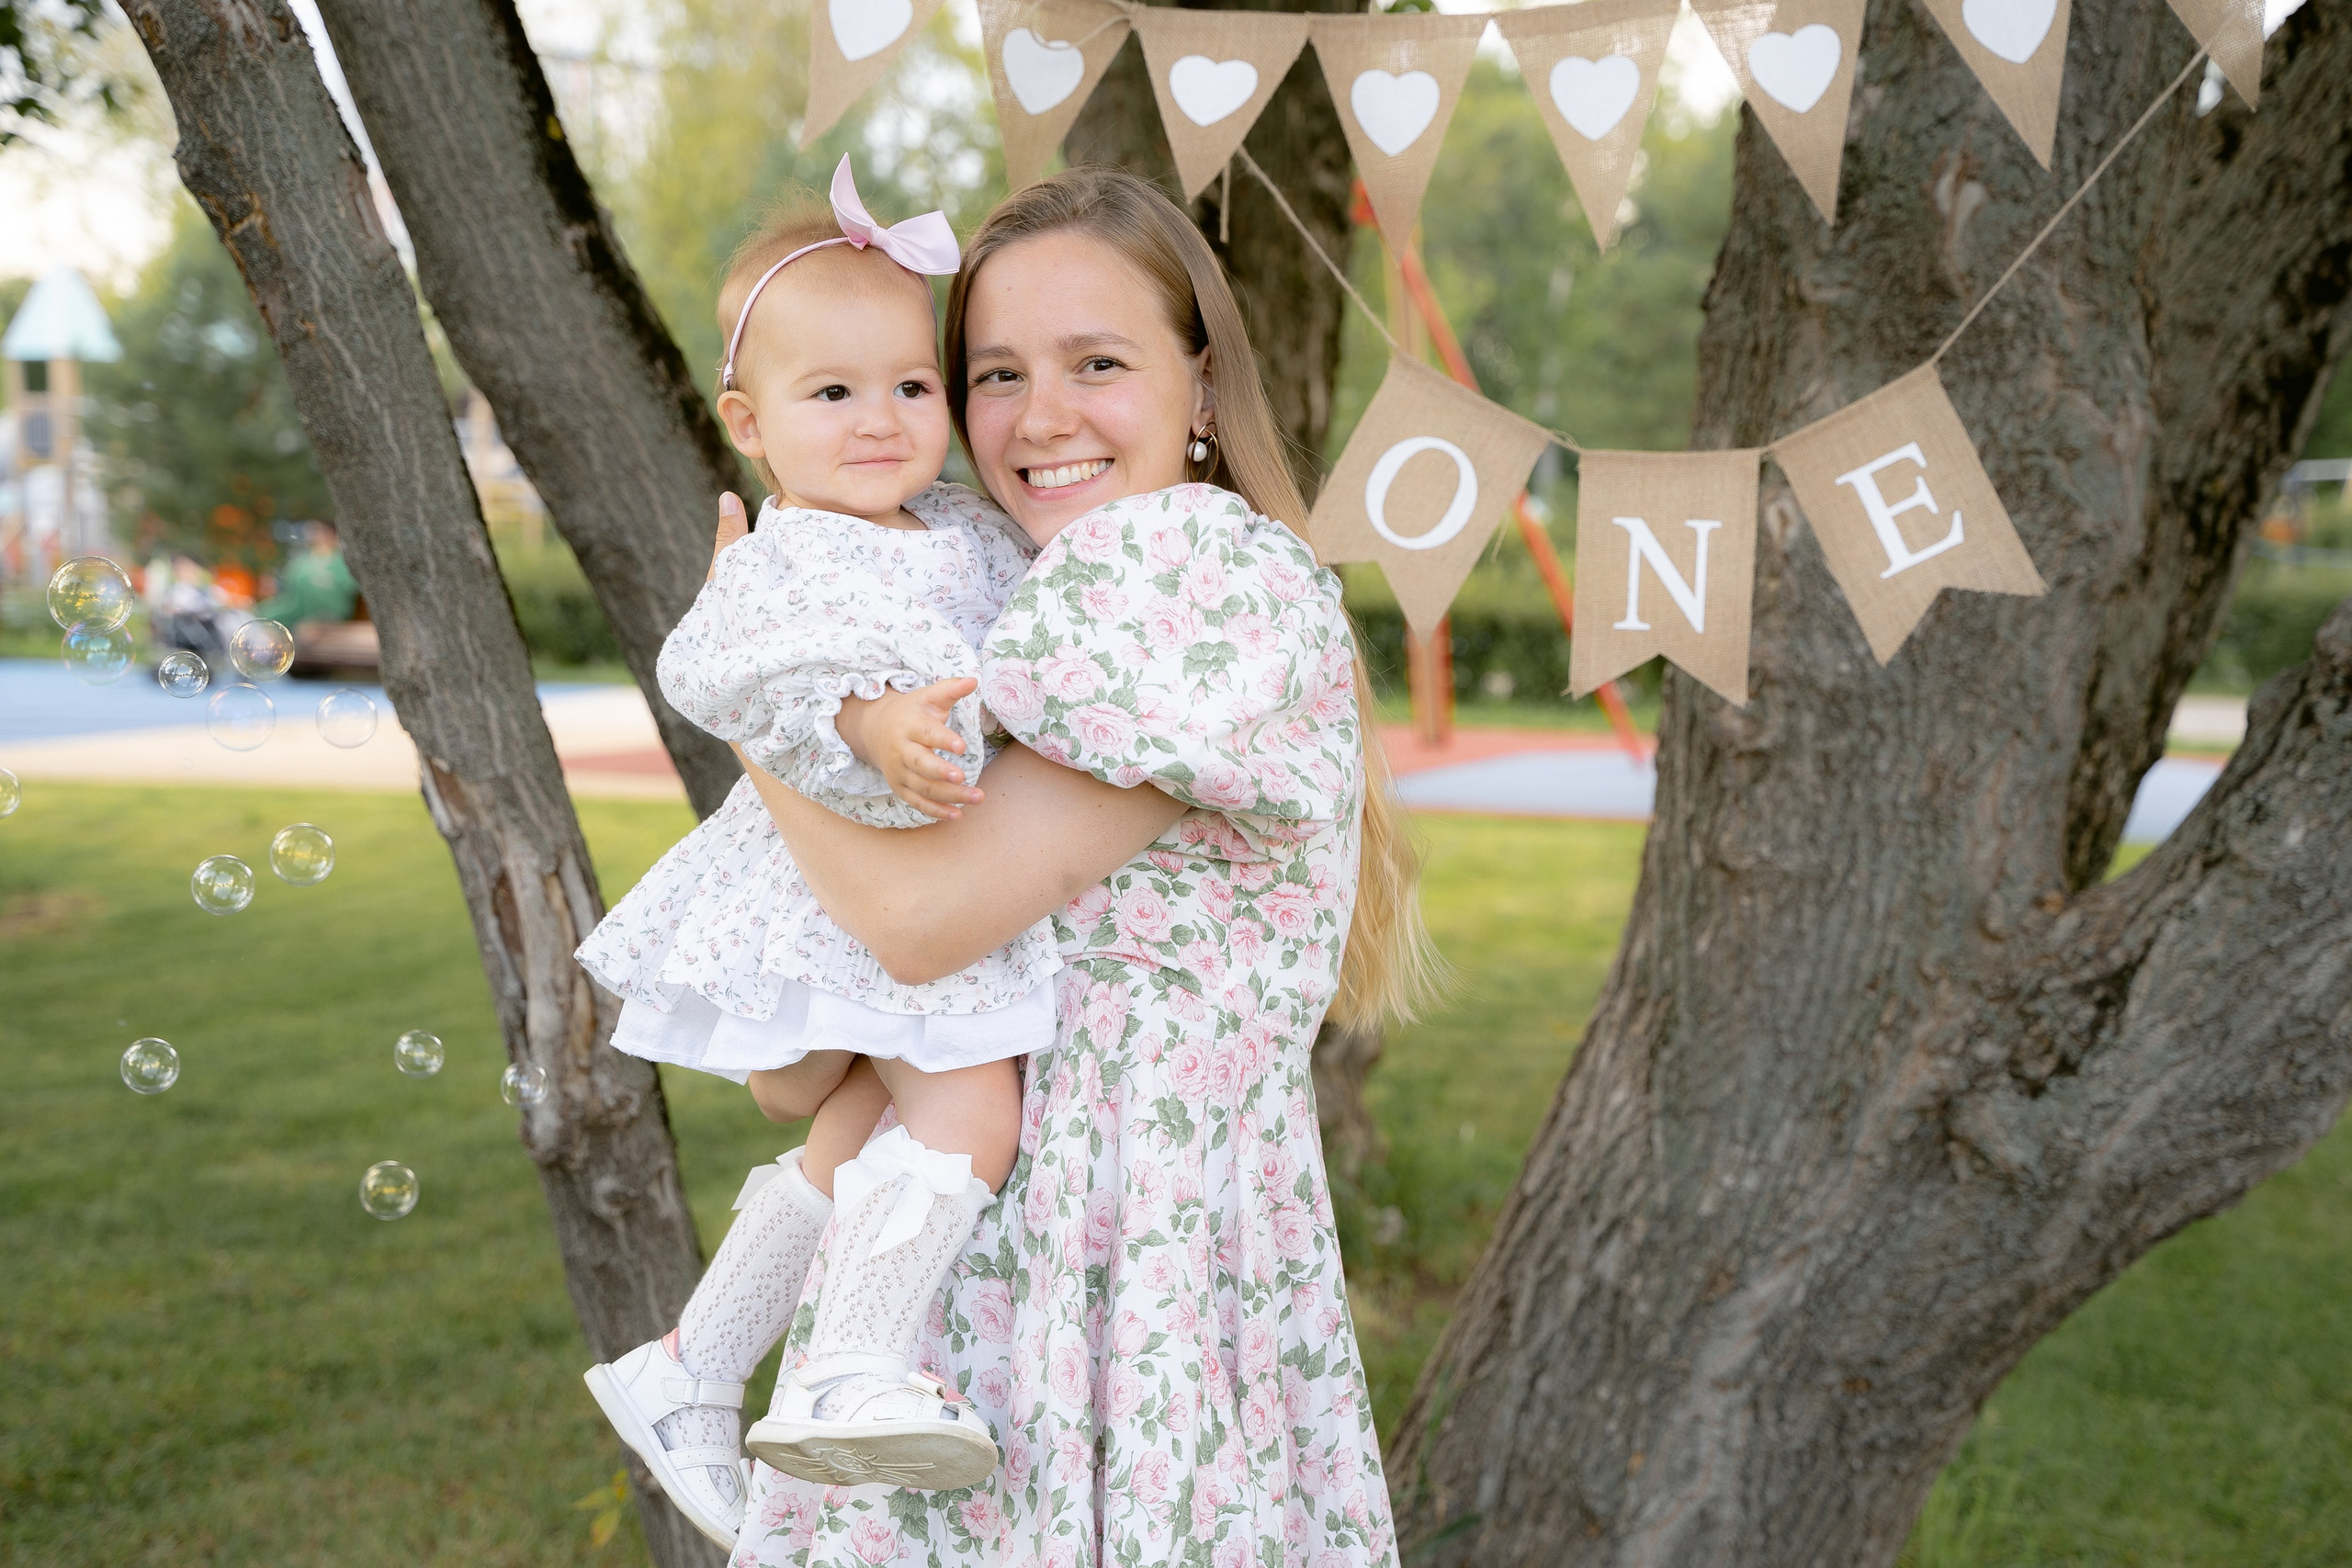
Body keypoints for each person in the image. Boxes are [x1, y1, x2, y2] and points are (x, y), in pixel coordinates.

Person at [720, 165, 1434, 1568]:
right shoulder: (1010, 611)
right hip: (949, 1280)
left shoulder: (1193, 576)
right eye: (996, 373)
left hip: (1129, 1265)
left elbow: (915, 926)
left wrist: (757, 686)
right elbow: (791, 1075)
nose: (1041, 415)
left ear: (1204, 382)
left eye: (1096, 362)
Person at [571, 160, 1059, 1548]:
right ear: (750, 424)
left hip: (922, 868)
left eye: (909, 385)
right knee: (970, 1114)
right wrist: (865, 720)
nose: (880, 419)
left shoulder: (959, 527)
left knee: (854, 1134)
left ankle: (692, 1362)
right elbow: (722, 674)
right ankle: (853, 1359)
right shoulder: (787, 557)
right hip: (846, 883)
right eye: (832, 392)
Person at [256, 521, 356, 626]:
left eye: (318, 530)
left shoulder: (340, 561)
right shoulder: (302, 560)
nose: (313, 535)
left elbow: (347, 588)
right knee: (266, 616)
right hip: (295, 610)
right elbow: (289, 590)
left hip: (329, 618)